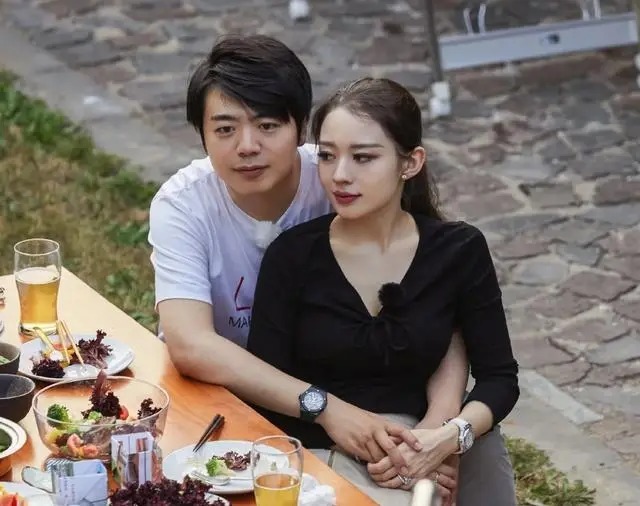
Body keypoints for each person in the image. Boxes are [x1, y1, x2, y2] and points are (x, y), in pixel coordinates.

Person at [147, 34, 510, 504]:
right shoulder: (187, 206)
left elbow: (443, 299)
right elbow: (192, 346)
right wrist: (330, 412)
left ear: (300, 129)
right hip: (255, 401)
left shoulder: (340, 183)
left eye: (268, 125)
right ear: (201, 134)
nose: (247, 146)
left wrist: (441, 430)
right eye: (225, 129)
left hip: (390, 411)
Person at [246, 77, 520, 506]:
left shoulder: (458, 249)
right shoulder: (292, 255)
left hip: (442, 438)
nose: (340, 175)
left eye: (363, 157)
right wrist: (371, 445)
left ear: (410, 163)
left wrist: (447, 438)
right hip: (326, 449)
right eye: (327, 155)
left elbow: (499, 378)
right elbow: (265, 390)